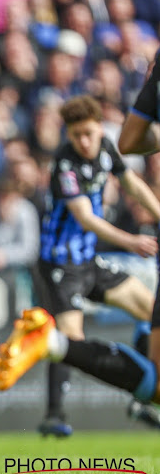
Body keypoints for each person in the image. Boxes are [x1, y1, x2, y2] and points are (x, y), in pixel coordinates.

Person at [33, 95, 160, 437]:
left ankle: (142, 397)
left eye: (88, 133)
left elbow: (132, 184)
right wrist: (130, 241)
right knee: (71, 340)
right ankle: (54, 416)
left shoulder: (106, 146)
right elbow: (84, 218)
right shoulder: (64, 163)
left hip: (90, 261)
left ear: (100, 127)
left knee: (152, 311)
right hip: (61, 265)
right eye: (76, 136)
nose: (84, 142)